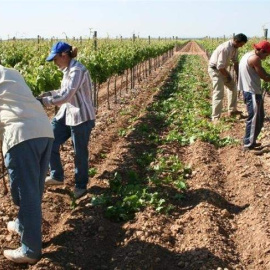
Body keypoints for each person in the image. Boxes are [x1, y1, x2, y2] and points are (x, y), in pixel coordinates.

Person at [0, 65, 54, 264]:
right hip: (43, 131)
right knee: (33, 190)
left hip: (22, 137)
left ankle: (30, 250)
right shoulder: (10, 73)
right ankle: (23, 224)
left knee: (25, 194)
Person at [38, 41, 96, 199]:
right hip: (66, 113)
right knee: (49, 140)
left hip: (81, 116)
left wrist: (44, 102)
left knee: (79, 153)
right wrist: (47, 94)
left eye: (55, 59)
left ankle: (81, 186)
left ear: (64, 55)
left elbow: (66, 96)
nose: (54, 63)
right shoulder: (67, 70)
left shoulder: (77, 70)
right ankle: (57, 176)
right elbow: (62, 91)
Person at [238, 40, 270, 151]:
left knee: (259, 118)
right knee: (254, 118)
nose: (266, 57)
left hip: (252, 91)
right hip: (252, 92)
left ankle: (252, 141)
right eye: (266, 54)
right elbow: (264, 77)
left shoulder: (248, 55)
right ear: (261, 51)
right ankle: (248, 144)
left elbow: (262, 71)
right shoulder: (255, 59)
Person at [208, 33, 248, 122]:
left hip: (223, 70)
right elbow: (220, 67)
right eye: (241, 44)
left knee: (233, 87)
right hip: (215, 70)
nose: (241, 46)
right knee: (219, 93)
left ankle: (232, 110)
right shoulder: (225, 48)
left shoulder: (235, 48)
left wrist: (238, 75)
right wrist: (228, 76)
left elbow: (235, 62)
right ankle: (215, 117)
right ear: (236, 41)